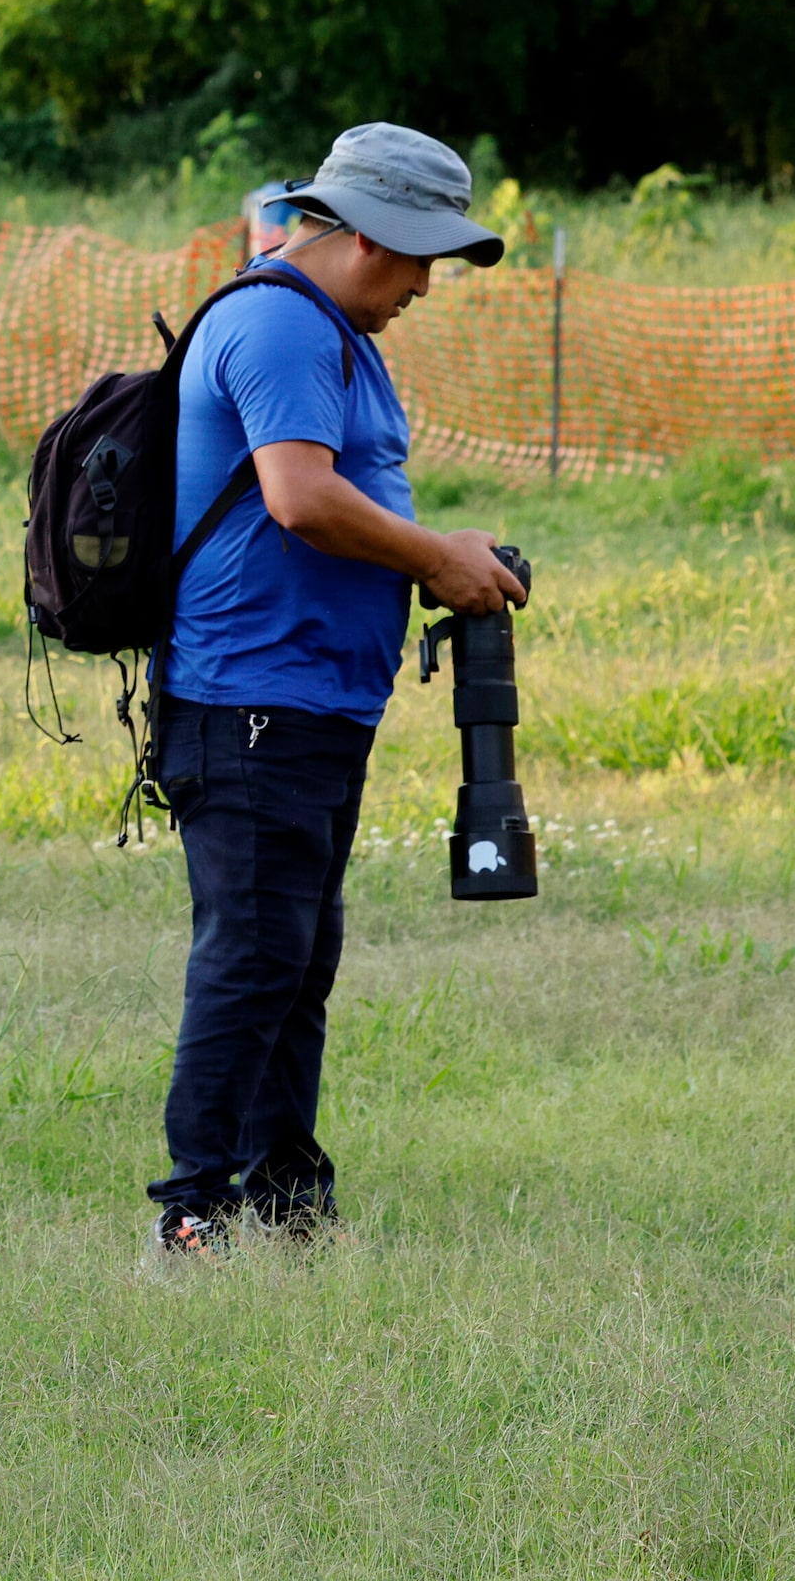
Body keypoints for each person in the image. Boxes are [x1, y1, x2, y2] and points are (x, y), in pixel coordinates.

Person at [151, 123, 523, 1256]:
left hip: (311, 704)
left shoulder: (340, 331)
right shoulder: (274, 323)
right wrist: (435, 556)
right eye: (420, 258)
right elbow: (301, 499)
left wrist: (445, 560)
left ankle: (284, 1194)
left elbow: (341, 502)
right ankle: (192, 1213)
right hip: (248, 701)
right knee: (254, 955)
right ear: (367, 236)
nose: (425, 284)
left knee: (295, 959)